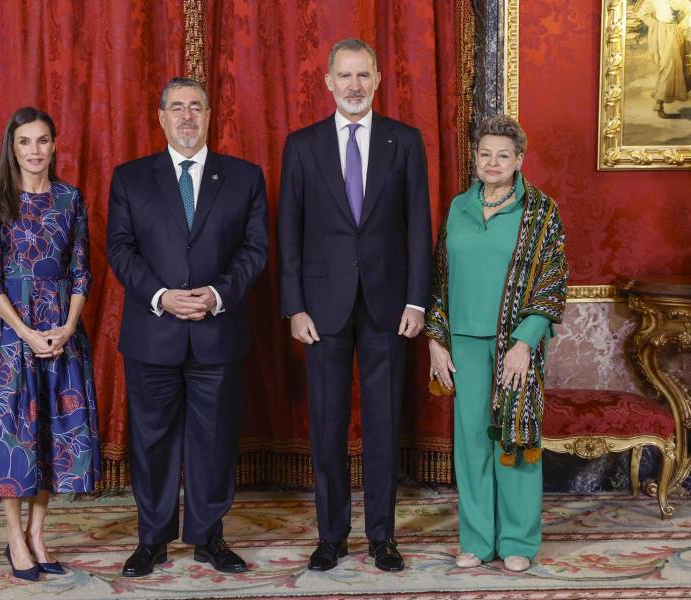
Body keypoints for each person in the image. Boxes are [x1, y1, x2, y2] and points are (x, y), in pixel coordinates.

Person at [278, 38, 432, 573]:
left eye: (363, 75)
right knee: (327, 423)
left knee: (384, 424)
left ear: (378, 79)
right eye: (344, 76)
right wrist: (294, 306)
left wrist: (418, 300)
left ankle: (382, 537)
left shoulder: (405, 142)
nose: (354, 85)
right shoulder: (301, 146)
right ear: (328, 82)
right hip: (321, 309)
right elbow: (289, 232)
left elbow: (419, 228)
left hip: (390, 306)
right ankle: (331, 535)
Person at [107, 77, 268, 577]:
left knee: (214, 440)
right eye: (176, 108)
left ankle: (208, 537)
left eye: (196, 107)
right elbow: (119, 248)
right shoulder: (130, 177)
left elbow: (255, 249)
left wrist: (217, 294)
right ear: (161, 117)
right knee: (151, 441)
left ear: (209, 114)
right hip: (153, 333)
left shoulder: (244, 176)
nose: (186, 117)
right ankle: (151, 541)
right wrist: (161, 296)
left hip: (217, 331)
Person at [0, 107, 101, 581]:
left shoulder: (69, 199)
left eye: (42, 141)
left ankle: (39, 536)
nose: (35, 151)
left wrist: (67, 326)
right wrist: (25, 332)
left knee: (52, 439)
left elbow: (82, 271)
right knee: (14, 436)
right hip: (11, 334)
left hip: (61, 335)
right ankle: (15, 538)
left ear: (55, 145)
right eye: (25, 142)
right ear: (12, 148)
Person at [425, 114, 568, 573]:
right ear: (477, 158)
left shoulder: (541, 211)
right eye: (485, 154)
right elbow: (438, 279)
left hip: (515, 346)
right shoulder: (457, 207)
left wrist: (526, 341)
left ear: (519, 160)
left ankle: (518, 543)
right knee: (470, 444)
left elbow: (552, 280)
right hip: (463, 342)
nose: (492, 162)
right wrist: (436, 340)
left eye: (502, 155)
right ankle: (476, 540)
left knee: (515, 439)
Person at [636, 0, 691, 118]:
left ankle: (660, 103)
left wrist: (683, 25)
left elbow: (689, 10)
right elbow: (642, 13)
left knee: (676, 66)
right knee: (667, 67)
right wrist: (655, 25)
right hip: (661, 33)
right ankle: (659, 103)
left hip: (676, 32)